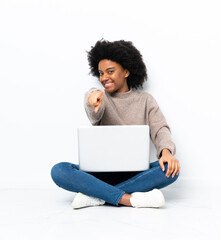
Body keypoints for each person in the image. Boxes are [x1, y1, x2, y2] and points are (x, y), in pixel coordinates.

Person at [51, 39, 180, 209]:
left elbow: (160, 129)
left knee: (171, 170)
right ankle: (128, 199)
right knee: (59, 170)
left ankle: (97, 195)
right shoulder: (99, 98)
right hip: (100, 174)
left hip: (136, 173)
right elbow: (92, 103)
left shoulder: (145, 100)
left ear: (126, 71)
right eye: (101, 73)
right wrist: (92, 98)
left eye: (110, 71)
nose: (104, 78)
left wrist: (166, 153)